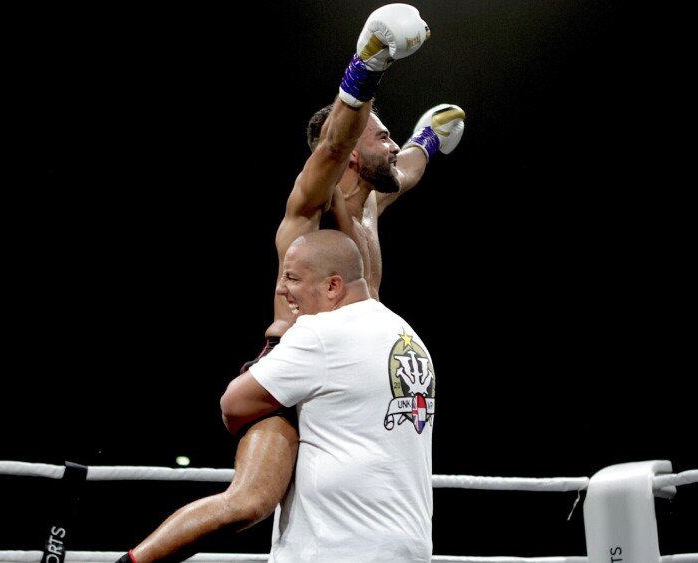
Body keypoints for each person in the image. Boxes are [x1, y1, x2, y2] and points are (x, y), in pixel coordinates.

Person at [121, 4, 463, 562]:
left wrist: (429, 135)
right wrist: (366, 71)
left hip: (352, 377)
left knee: (375, 500)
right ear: (351, 146)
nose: (393, 143)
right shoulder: (312, 205)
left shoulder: (374, 204)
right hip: (293, 362)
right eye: (383, 134)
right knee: (251, 501)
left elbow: (412, 167)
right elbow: (329, 146)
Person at [221, 229, 437, 562]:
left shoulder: (323, 332)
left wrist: (272, 350)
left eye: (292, 278)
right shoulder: (406, 334)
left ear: (332, 286)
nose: (282, 289)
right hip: (407, 544)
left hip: (337, 543)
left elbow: (233, 405)